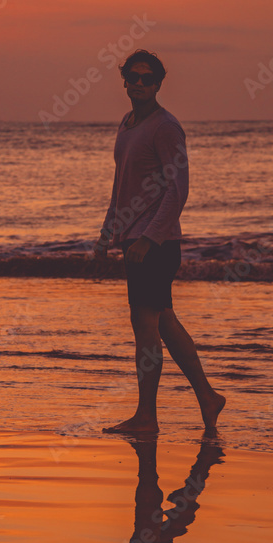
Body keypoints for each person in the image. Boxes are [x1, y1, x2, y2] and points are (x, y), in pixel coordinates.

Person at [94, 49, 225, 436]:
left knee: (145, 325)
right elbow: (122, 186)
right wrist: (107, 233)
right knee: (163, 321)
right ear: (124, 80)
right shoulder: (128, 122)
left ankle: (147, 417)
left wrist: (149, 239)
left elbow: (177, 189)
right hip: (132, 239)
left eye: (147, 78)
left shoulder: (166, 127)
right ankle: (207, 397)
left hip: (155, 245)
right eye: (133, 77)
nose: (138, 83)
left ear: (158, 83)